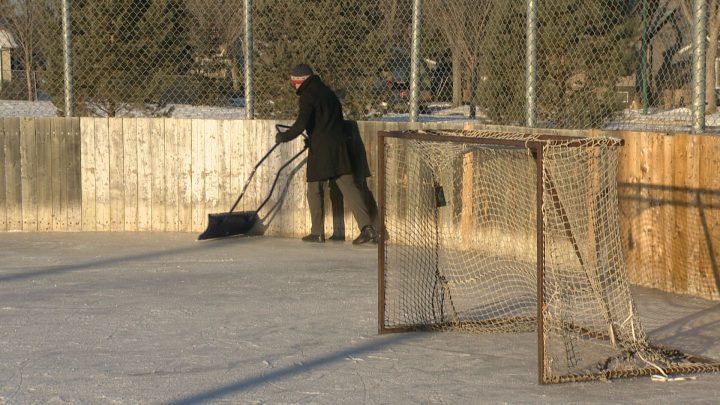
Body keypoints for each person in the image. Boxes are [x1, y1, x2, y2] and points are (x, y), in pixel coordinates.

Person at [276, 63, 378, 245]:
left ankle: (317, 232)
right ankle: (368, 228)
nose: (294, 86)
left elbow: (301, 123)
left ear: (301, 80)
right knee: (349, 186)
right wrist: (312, 137)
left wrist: (285, 136)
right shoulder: (328, 93)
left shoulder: (307, 95)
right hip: (339, 147)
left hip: (322, 150)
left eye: (295, 82)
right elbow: (327, 122)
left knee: (314, 189)